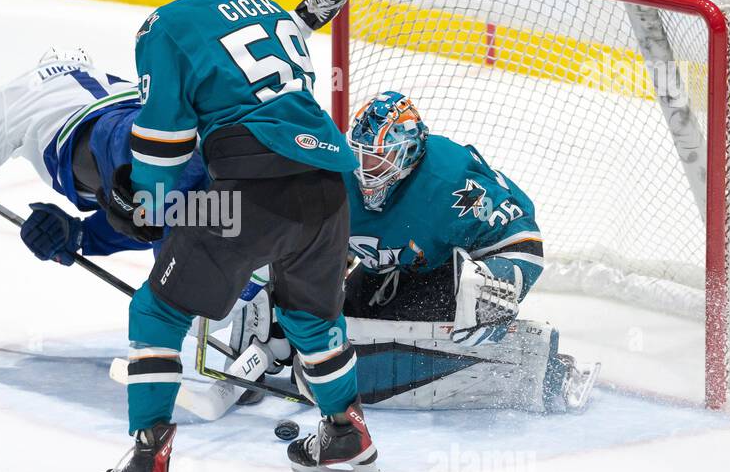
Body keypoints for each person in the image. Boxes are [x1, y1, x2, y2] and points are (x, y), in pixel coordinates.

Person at [97, 0, 384, 472]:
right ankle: (346, 434)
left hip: (246, 197)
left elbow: (164, 136)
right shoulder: (278, 15)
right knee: (311, 317)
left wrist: (147, 202)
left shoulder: (166, 24)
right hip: (329, 188)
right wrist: (314, 7)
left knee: (156, 311)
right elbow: (271, 49)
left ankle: (148, 459)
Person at [233, 91, 599, 412]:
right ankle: (269, 344)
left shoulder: (451, 182)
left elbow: (524, 242)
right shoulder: (338, 172)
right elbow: (322, 242)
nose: (364, 168)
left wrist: (497, 285)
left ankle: (538, 369)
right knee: (329, 321)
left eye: (379, 158)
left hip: (442, 276)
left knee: (385, 340)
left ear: (408, 154)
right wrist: (287, 291)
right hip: (391, 271)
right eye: (360, 154)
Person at [0, 48, 207, 263]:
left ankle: (205, 299)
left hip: (108, 138)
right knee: (204, 209)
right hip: (165, 128)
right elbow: (141, 218)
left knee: (175, 252)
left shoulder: (24, 88)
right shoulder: (115, 81)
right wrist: (82, 235)